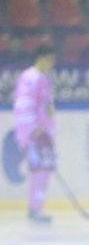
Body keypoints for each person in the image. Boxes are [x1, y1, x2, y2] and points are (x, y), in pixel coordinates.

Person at [13, 44, 57, 224]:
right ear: (42, 58)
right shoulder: (30, 77)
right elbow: (23, 104)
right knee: (39, 170)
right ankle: (34, 208)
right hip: (35, 135)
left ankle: (37, 207)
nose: (52, 63)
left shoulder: (44, 78)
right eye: (50, 59)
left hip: (44, 134)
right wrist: (33, 129)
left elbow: (47, 106)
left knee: (44, 170)